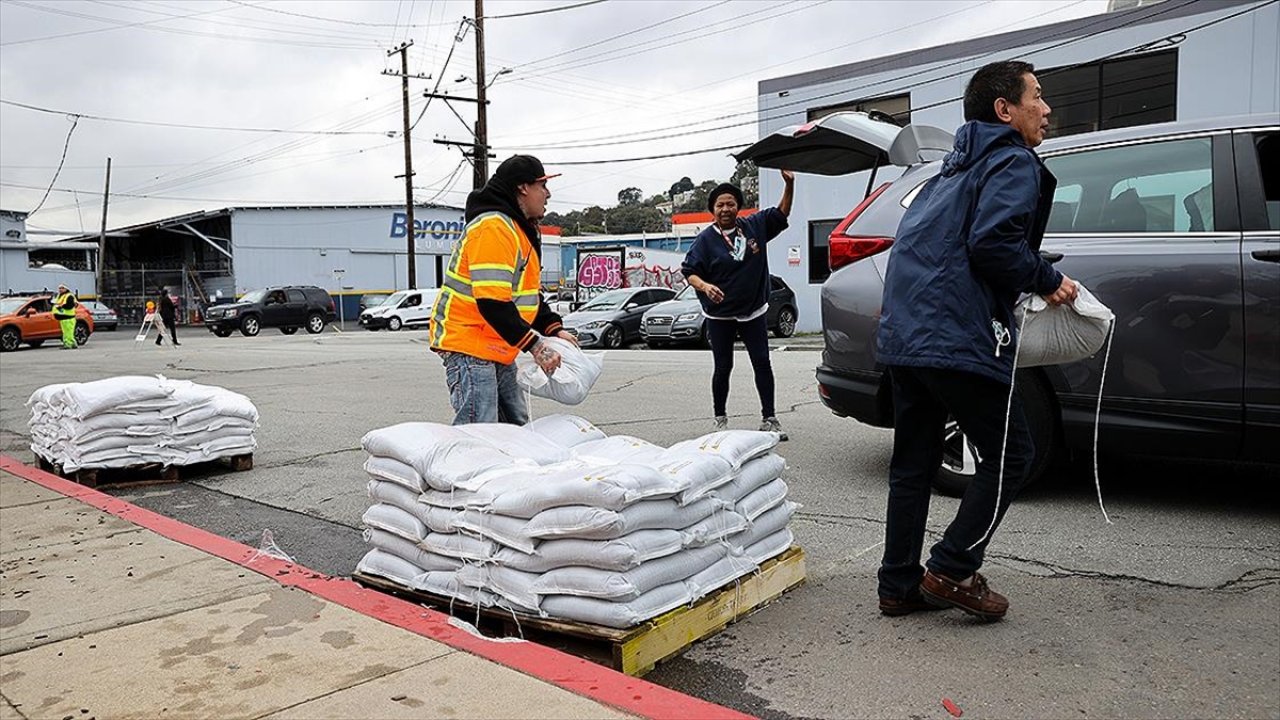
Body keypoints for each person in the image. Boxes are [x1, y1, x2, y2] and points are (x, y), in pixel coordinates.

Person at [875, 60, 1078, 621]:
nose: (1047, 107)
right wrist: (1048, 278)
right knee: (1013, 454)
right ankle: (953, 568)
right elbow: (994, 246)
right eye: (1037, 96)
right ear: (1004, 110)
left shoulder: (947, 171)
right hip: (953, 333)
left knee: (913, 464)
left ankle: (898, 585)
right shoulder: (1013, 160)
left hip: (905, 333)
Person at [428, 154, 578, 425]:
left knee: (515, 426)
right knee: (480, 428)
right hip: (470, 343)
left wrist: (554, 328)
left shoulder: (518, 230)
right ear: (523, 188)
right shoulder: (493, 228)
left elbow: (527, 295)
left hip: (496, 344)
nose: (548, 193)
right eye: (542, 185)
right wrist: (536, 346)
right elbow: (492, 303)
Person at [681, 170, 795, 439]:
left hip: (753, 311)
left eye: (730, 203)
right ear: (713, 209)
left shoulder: (754, 226)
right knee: (723, 367)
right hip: (719, 316)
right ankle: (719, 419)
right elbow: (690, 272)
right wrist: (705, 286)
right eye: (720, 204)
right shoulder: (705, 240)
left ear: (738, 206)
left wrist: (789, 184)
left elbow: (782, 213)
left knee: (762, 363)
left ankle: (770, 418)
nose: (725, 208)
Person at [51, 283, 78, 349]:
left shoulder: (69, 296)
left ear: (66, 289)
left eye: (62, 288)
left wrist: (60, 307)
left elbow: (70, 306)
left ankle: (68, 344)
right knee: (66, 332)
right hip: (63, 317)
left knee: (68, 332)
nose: (60, 289)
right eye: (59, 288)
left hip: (68, 317)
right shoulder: (60, 296)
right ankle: (73, 343)